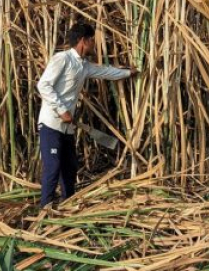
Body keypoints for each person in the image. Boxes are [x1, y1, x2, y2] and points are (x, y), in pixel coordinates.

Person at [36, 23, 137, 208]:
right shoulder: (62, 59)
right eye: (92, 40)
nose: (94, 44)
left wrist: (128, 73)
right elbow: (43, 85)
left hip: (67, 127)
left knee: (70, 166)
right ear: (83, 41)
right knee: (53, 166)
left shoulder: (83, 65)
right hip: (51, 124)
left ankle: (68, 204)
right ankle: (45, 209)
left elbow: (105, 72)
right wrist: (61, 110)